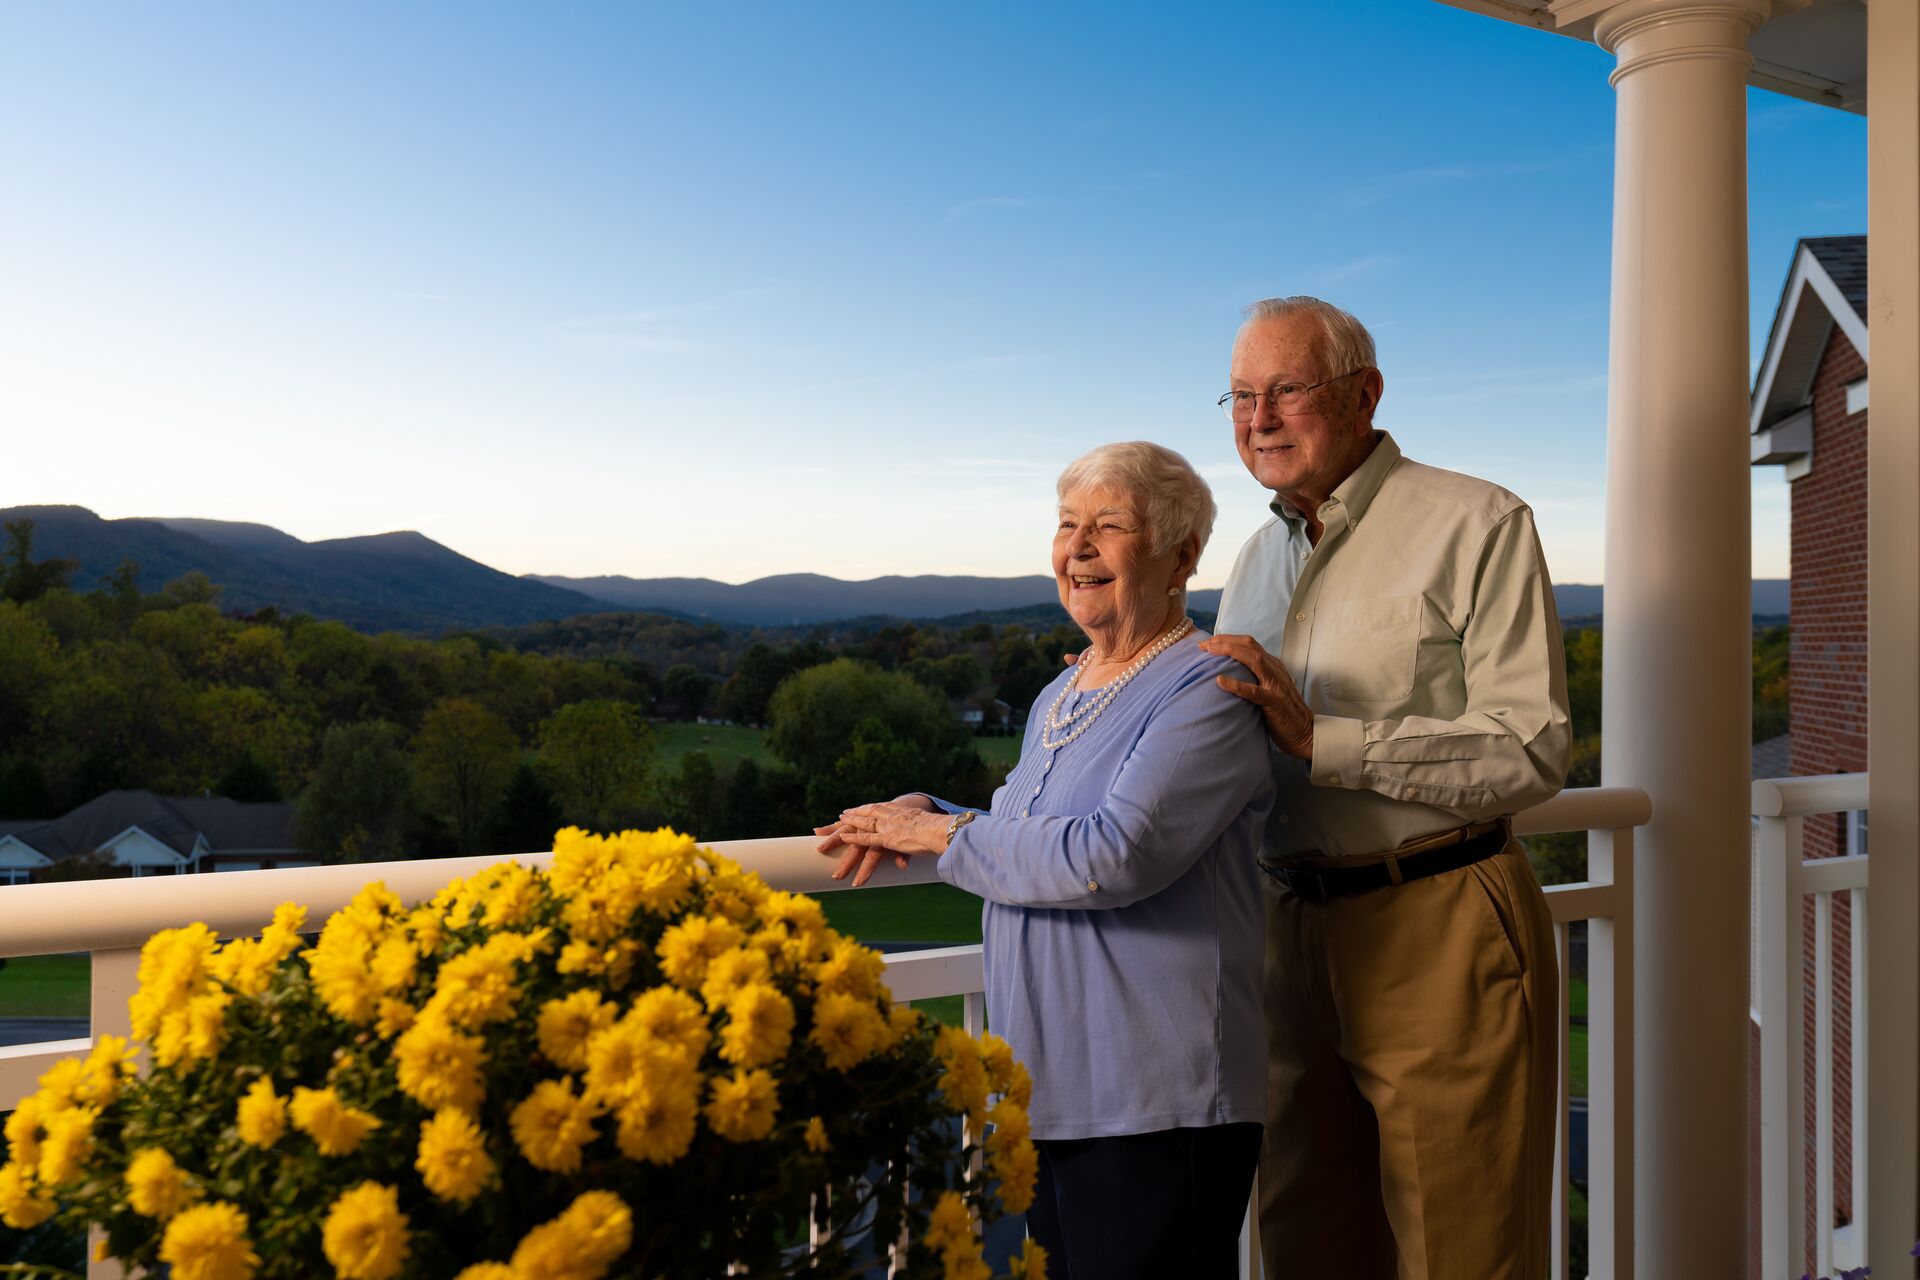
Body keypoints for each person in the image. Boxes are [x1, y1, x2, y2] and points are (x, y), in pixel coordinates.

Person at [816, 441, 1275, 1279]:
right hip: (1054, 1089)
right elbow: (1037, 830)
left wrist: (946, 840)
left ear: (1182, 557)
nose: (1080, 547)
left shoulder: (1208, 694)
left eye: (1110, 526)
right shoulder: (1061, 692)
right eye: (1068, 526)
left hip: (1156, 1100)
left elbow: (1113, 854)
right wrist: (932, 811)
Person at [1198, 295, 1571, 1279]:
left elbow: (1531, 745)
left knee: (1463, 1250)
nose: (1258, 417)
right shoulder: (1253, 559)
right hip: (1287, 937)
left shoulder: (1477, 521)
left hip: (1437, 922)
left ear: (1363, 394)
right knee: (1303, 1243)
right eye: (1239, 395)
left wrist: (1328, 741)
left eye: (1286, 389)